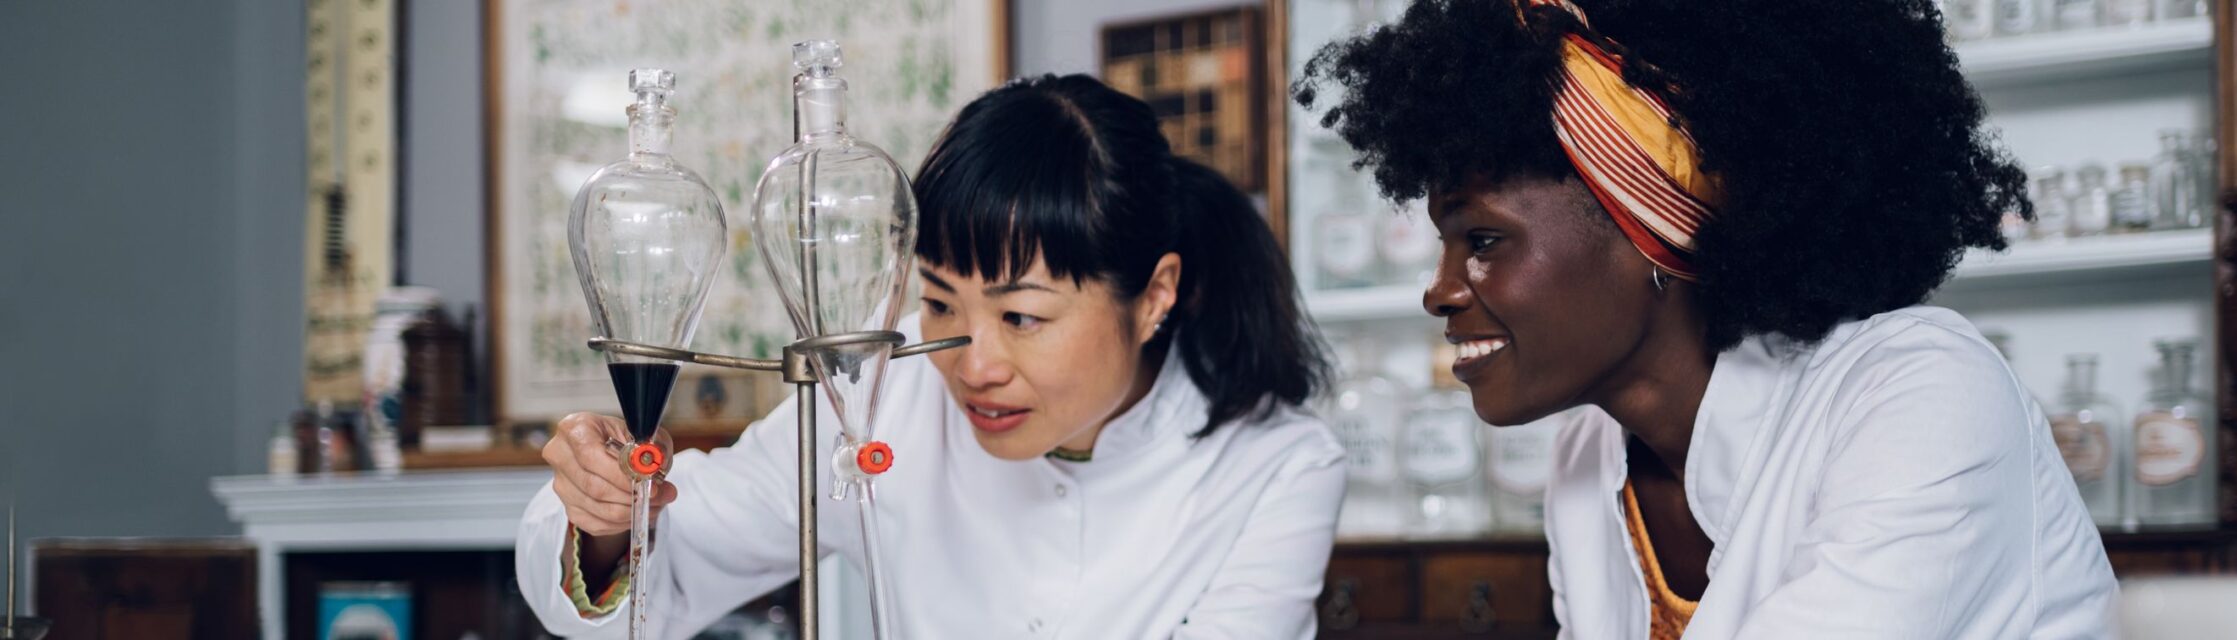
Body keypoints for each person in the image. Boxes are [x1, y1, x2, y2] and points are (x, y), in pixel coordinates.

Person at [1297, 0, 2118, 637]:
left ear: (1657, 225)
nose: (1440, 291)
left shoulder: (1921, 391)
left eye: (1481, 240)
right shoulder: (1589, 455)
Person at [516, 74, 1343, 638]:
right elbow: (665, 568)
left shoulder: (1277, 467)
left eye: (1021, 316)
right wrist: (602, 514)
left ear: (1155, 295)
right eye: (941, 300)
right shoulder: (887, 393)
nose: (972, 362)